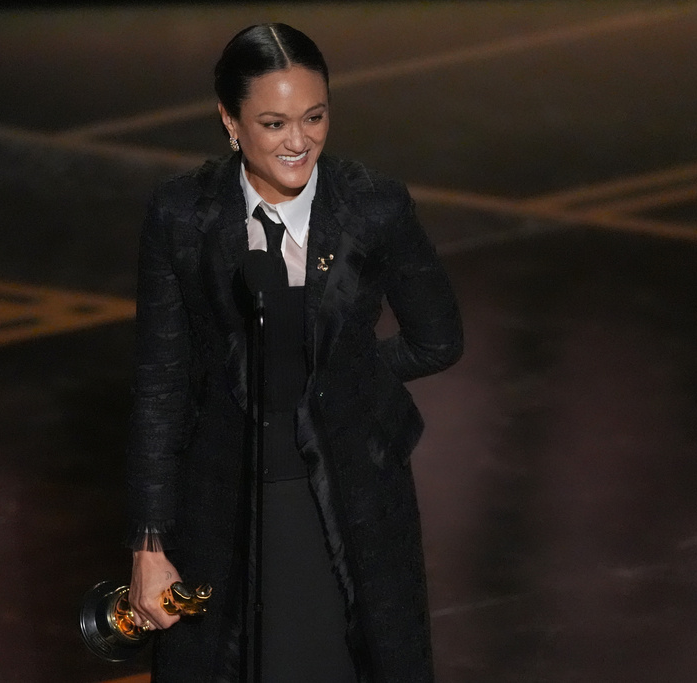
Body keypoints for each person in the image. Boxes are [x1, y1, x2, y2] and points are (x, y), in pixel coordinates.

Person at [124, 23, 462, 683]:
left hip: (351, 497)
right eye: (274, 123)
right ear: (230, 120)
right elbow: (159, 386)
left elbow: (439, 338)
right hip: (224, 503)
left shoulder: (373, 206)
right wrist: (148, 542)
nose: (299, 140)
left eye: (314, 116)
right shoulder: (181, 217)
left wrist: (343, 381)